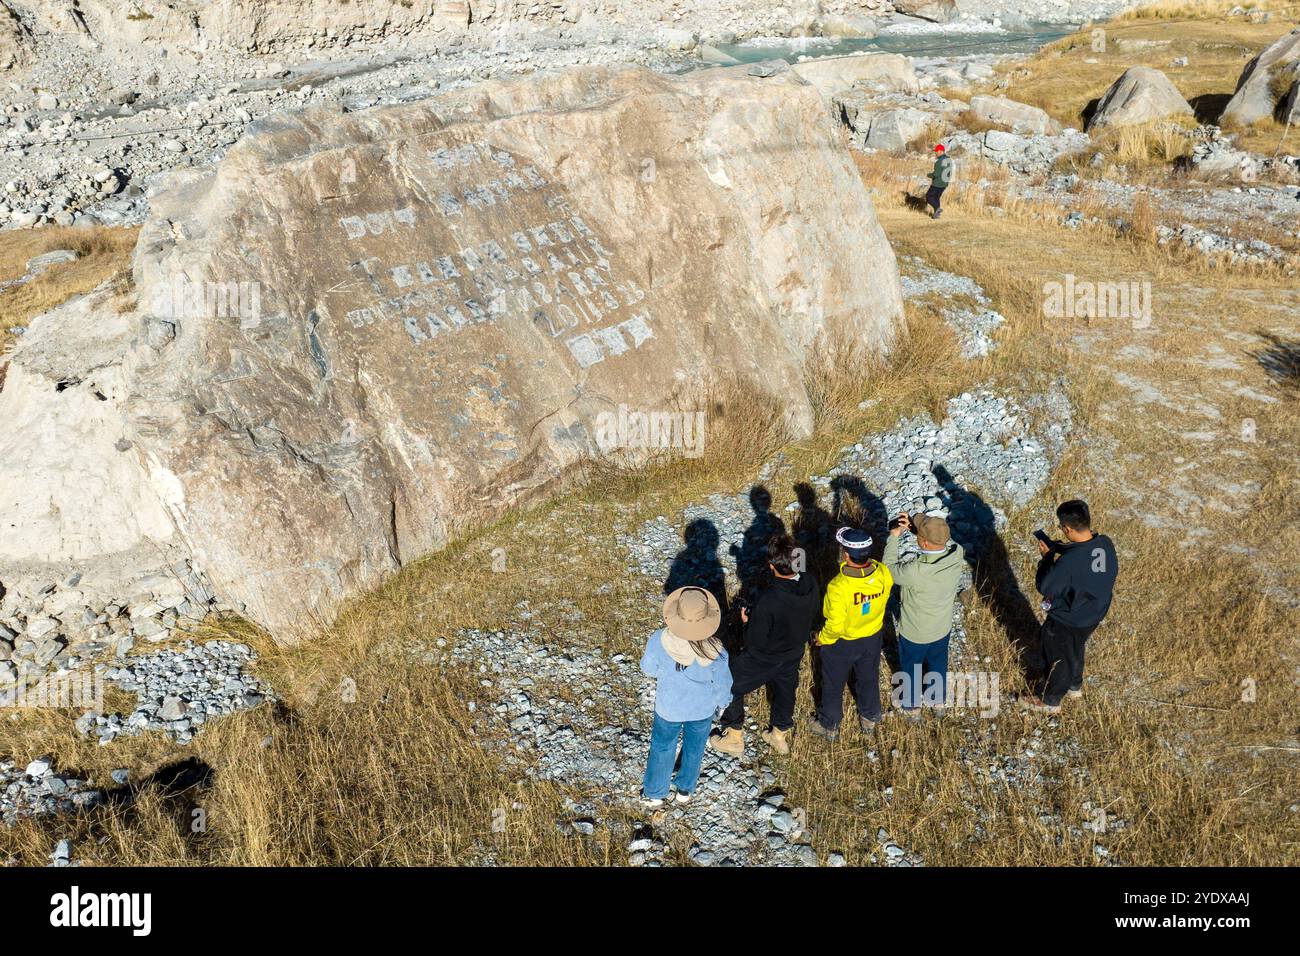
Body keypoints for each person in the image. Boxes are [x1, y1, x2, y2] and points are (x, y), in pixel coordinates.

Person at [710, 533, 819, 757]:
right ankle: (778, 734)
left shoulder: (768, 600)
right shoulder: (810, 583)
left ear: (771, 566)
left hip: (763, 658)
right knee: (786, 690)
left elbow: (754, 641)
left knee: (728, 682)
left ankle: (733, 736)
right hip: (793, 652)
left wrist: (746, 622)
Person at [1020, 499, 1118, 714]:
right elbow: (1083, 557)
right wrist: (1060, 549)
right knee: (1076, 646)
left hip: (1068, 618)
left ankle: (1051, 701)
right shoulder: (1104, 543)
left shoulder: (1069, 563)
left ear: (1067, 528)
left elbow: (1045, 586)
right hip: (1094, 612)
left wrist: (1047, 558)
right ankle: (1075, 686)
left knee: (1058, 655)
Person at [640, 587, 733, 808]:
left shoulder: (659, 640)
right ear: (707, 618)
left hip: (668, 708)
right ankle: (684, 790)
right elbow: (723, 685)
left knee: (662, 747)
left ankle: (655, 793)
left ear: (676, 614)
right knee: (695, 747)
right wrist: (722, 704)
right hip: (702, 711)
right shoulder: (716, 650)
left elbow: (648, 669)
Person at [808, 527, 894, 740]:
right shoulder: (882, 571)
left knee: (833, 683)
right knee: (868, 677)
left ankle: (829, 724)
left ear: (846, 555)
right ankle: (870, 716)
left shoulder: (839, 586)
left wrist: (822, 638)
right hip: (872, 636)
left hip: (843, 643)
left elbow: (835, 624)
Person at [884, 512, 965, 714]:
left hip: (915, 633)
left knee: (912, 668)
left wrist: (894, 536)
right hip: (941, 628)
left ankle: (912, 706)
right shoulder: (957, 554)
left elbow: (888, 568)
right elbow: (940, 542)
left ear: (925, 543)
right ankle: (937, 701)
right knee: (938, 663)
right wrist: (917, 532)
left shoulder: (914, 571)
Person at [926, 144, 953, 220]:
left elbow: (936, 174)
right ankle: (936, 215)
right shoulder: (949, 160)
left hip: (937, 183)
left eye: (936, 151)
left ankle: (937, 208)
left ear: (941, 151)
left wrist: (929, 175)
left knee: (928, 197)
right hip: (944, 183)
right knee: (936, 197)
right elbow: (949, 173)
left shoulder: (939, 161)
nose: (936, 153)